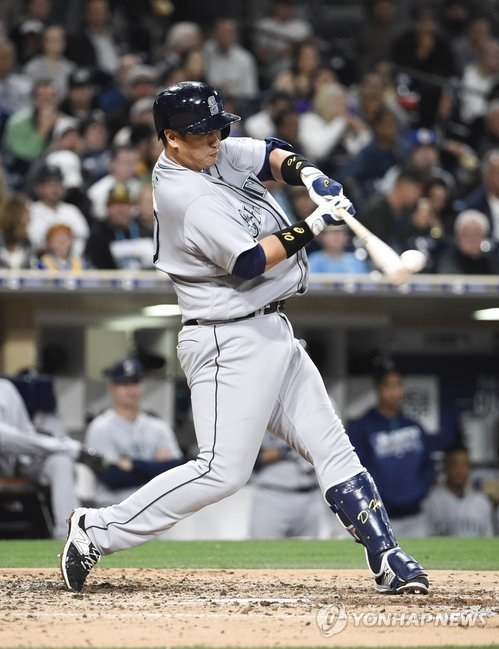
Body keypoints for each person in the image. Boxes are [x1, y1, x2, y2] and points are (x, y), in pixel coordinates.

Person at [60, 80, 429, 596]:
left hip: (272, 330)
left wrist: (310, 175)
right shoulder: (183, 195)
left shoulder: (210, 151)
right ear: (171, 138)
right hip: (225, 340)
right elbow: (249, 262)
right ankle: (96, 529)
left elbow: (272, 153)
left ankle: (387, 555)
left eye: (217, 128)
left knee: (332, 447)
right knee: (222, 472)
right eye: (201, 132)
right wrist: (314, 223)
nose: (215, 139)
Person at [346, 360, 435, 537]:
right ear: (378, 388)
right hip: (378, 516)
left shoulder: (414, 426)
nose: (393, 392)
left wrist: (418, 493)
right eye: (388, 386)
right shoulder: (362, 427)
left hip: (415, 515)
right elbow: (355, 471)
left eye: (398, 385)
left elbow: (428, 466)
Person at [0, 377, 96, 539]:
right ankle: (65, 446)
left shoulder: (6, 388)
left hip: (17, 462)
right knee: (63, 449)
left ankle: (71, 536)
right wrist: (59, 445)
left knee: (60, 462)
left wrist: (44, 447)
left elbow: (26, 432)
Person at [84, 357, 184, 507]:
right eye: (124, 384)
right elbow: (112, 477)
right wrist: (155, 465)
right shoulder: (99, 428)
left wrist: (133, 464)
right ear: (112, 387)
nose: (131, 389)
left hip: (156, 507)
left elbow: (177, 469)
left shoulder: (159, 426)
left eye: (135, 382)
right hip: (114, 509)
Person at [249, 431, 322, 539]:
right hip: (273, 494)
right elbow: (252, 460)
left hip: (311, 495)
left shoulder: (316, 422)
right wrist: (284, 450)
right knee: (263, 546)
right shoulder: (259, 422)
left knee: (309, 547)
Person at [423, 445, 495, 536]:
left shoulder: (482, 502)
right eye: (455, 464)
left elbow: (488, 539)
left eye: (465, 465)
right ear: (446, 467)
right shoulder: (431, 502)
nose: (460, 470)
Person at [435, 209, 499, 275]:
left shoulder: (492, 264)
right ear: (458, 237)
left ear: (484, 236)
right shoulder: (447, 263)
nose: (472, 239)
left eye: (477, 234)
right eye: (466, 234)